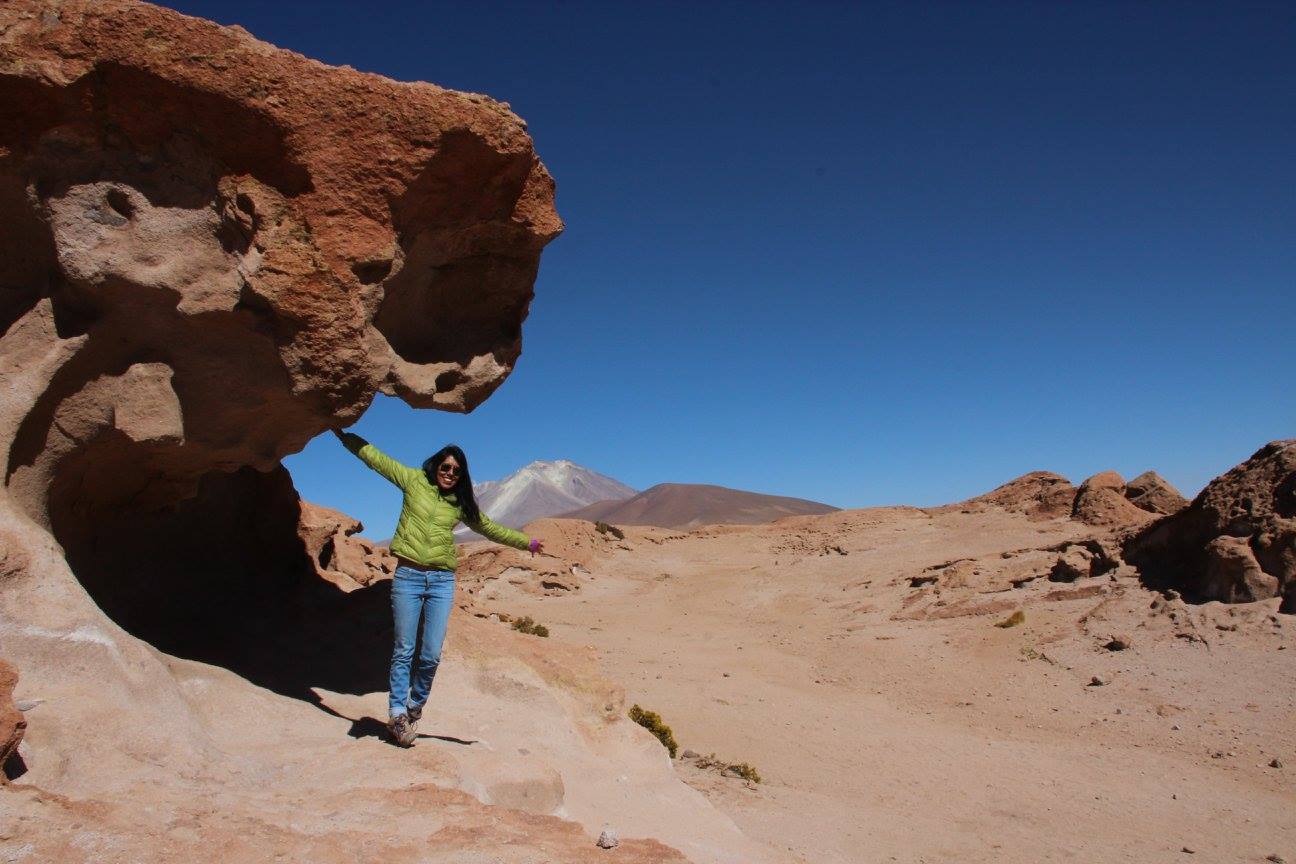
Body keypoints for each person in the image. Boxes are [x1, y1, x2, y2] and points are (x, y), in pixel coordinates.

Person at [332, 429, 542, 747]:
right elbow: (376, 460)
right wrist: (343, 434)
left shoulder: (459, 504)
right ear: (436, 467)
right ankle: (398, 715)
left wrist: (528, 542)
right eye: (446, 468)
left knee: (430, 654)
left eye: (456, 471)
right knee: (404, 650)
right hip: (408, 578)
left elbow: (490, 528)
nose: (450, 474)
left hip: (441, 581)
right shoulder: (414, 481)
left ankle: (415, 707)